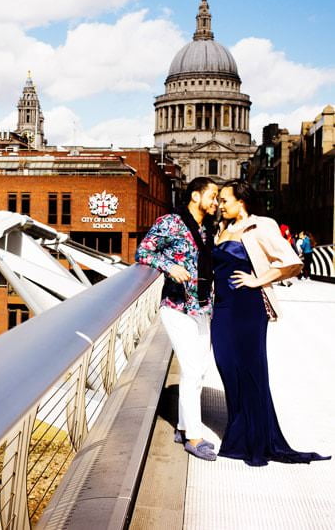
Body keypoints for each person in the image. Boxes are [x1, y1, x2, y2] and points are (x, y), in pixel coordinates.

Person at [212, 180, 330, 466]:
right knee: (227, 367)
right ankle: (240, 432)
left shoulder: (261, 225)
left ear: (242, 201)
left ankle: (254, 441)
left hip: (248, 308)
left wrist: (257, 280)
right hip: (222, 309)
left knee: (251, 371)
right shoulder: (221, 229)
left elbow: (292, 262)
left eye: (225, 200)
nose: (220, 205)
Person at [136, 177, 219, 461]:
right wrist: (169, 265)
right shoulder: (170, 223)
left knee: (199, 371)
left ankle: (184, 426)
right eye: (212, 196)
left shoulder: (207, 227)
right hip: (177, 306)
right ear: (195, 196)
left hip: (202, 307)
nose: (215, 202)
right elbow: (144, 251)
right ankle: (194, 438)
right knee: (193, 370)